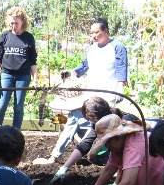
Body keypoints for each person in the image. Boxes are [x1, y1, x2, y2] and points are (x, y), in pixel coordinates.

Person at [38, 18, 127, 164]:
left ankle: (110, 159)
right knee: (76, 118)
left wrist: (120, 87)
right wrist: (71, 72)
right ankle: (57, 155)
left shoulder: (117, 47)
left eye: (97, 32)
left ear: (106, 30)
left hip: (108, 97)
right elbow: (84, 66)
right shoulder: (92, 49)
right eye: (92, 33)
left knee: (105, 129)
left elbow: (121, 67)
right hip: (91, 96)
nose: (94, 36)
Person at [46, 97, 121, 182]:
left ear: (94, 117)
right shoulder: (97, 124)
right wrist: (64, 168)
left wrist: (117, 181)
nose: (90, 121)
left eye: (89, 119)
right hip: (113, 156)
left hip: (129, 159)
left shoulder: (122, 122)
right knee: (97, 159)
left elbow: (125, 154)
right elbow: (85, 144)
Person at [0, 6, 38, 129]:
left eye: (16, 23)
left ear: (23, 21)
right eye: (11, 23)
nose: (13, 26)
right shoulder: (4, 36)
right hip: (6, 74)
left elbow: (33, 60)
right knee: (1, 105)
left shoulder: (28, 38)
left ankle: (15, 132)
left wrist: (35, 79)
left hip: (23, 76)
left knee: (18, 106)